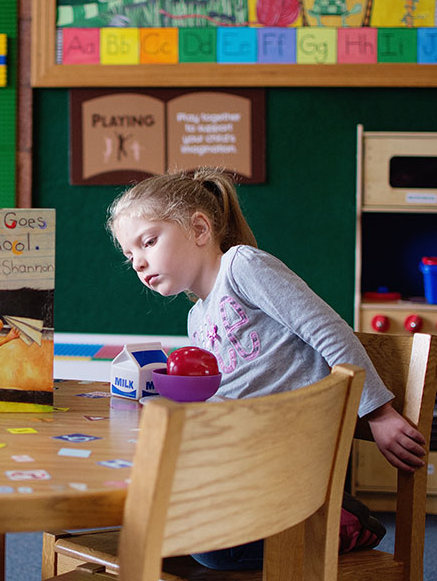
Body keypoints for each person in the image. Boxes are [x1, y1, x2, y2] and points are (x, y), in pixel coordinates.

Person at [107, 167, 427, 570]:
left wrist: (377, 412)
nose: (138, 262)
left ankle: (335, 522)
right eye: (129, 255)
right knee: (151, 520)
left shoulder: (242, 266)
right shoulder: (196, 319)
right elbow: (231, 393)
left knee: (210, 550)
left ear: (200, 229)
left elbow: (326, 329)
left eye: (148, 242)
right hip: (248, 460)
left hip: (296, 459)